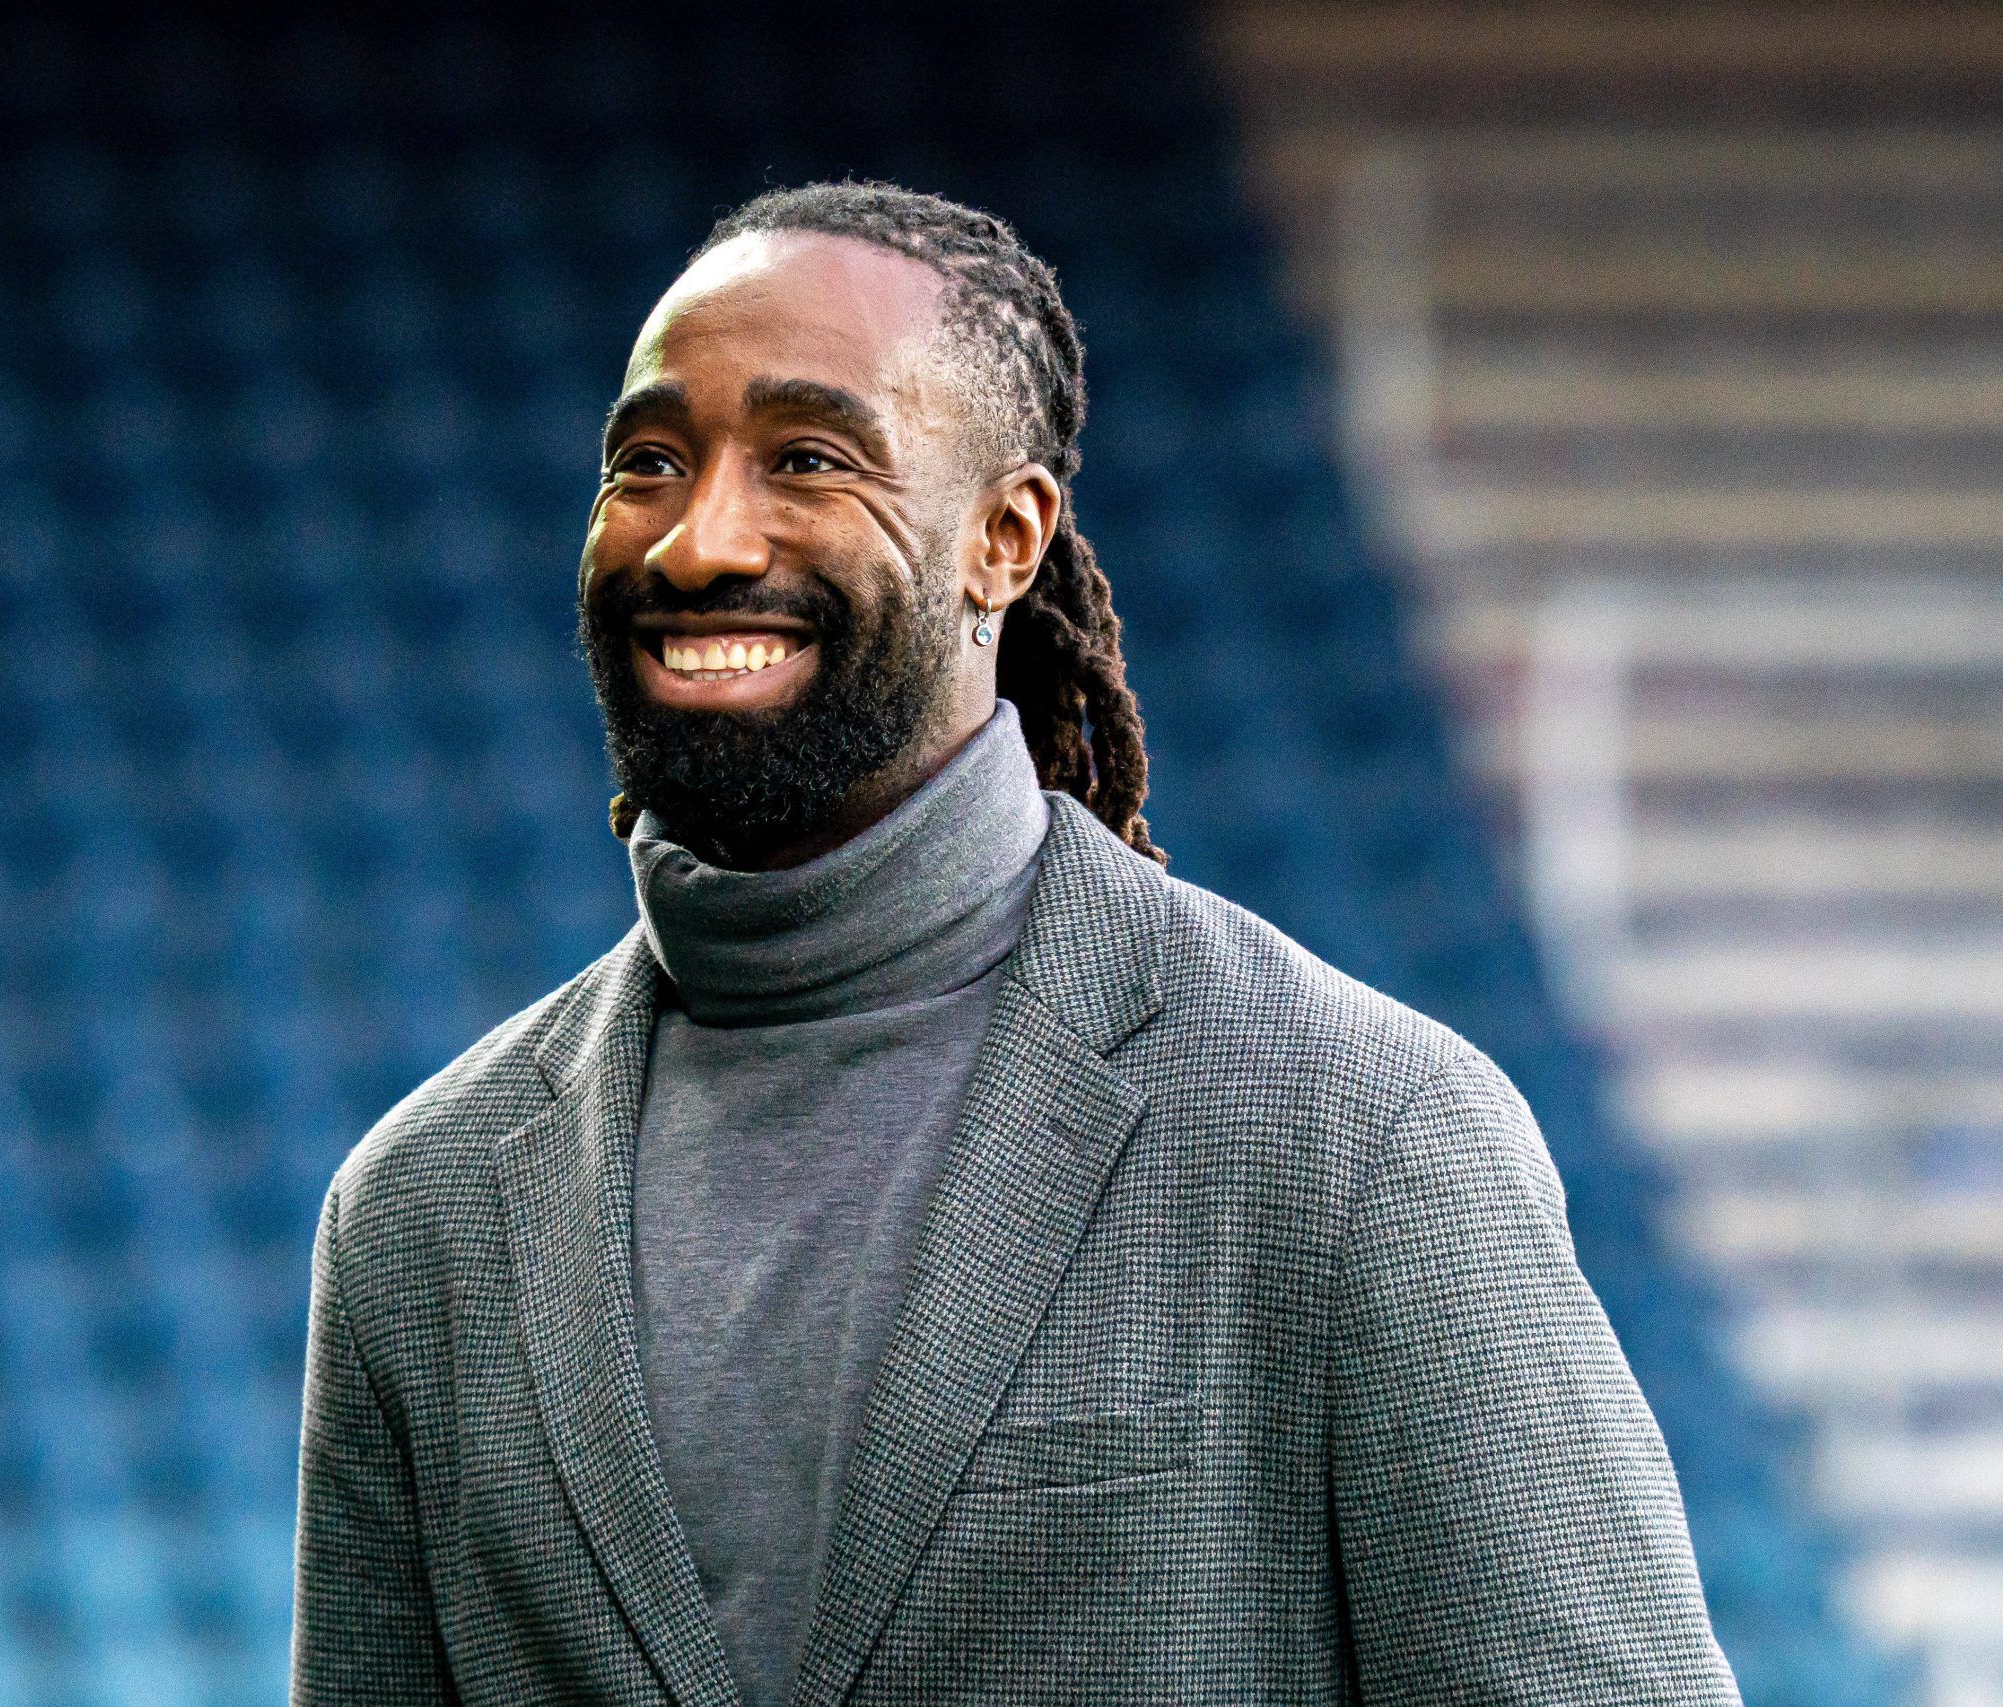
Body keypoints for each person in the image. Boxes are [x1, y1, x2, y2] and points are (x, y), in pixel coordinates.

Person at [292, 181, 1739, 1704]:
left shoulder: (1356, 1133)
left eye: (808, 458)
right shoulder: (419, 1213)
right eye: (649, 461)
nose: (703, 539)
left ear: (1005, 537)